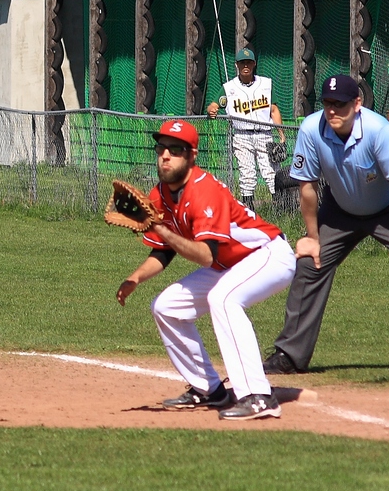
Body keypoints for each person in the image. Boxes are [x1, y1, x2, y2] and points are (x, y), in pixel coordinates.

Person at [265, 75, 389, 376]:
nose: (333, 111)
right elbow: (307, 187)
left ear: (357, 104)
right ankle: (289, 356)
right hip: (340, 209)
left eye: (340, 104)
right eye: (328, 104)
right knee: (309, 264)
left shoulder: (378, 130)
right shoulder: (311, 129)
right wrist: (312, 237)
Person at [115, 119, 297, 421]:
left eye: (176, 149)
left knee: (223, 300)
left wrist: (162, 228)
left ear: (192, 156)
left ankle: (258, 396)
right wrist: (135, 278)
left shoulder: (204, 191)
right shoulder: (160, 194)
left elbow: (204, 255)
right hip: (228, 263)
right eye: (162, 148)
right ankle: (209, 389)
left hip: (268, 254)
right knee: (166, 307)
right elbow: (163, 249)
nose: (166, 155)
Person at [205, 48, 286, 209]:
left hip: (264, 134)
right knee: (247, 174)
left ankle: (280, 209)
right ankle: (249, 210)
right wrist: (211, 109)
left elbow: (274, 110)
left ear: (254, 64)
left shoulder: (265, 84)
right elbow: (214, 105)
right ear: (237, 65)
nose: (246, 65)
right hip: (241, 136)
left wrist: (281, 134)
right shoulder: (229, 88)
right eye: (242, 63)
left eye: (248, 62)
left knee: (271, 172)